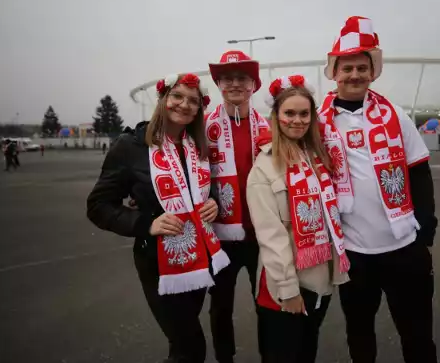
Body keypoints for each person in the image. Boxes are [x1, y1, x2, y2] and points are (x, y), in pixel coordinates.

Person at [317, 16, 438, 363]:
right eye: (347, 68)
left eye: (361, 68)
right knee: (359, 335)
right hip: (355, 253)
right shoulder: (318, 121)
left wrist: (424, 230)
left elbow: (419, 169)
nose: (354, 75)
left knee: (417, 336)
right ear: (334, 73)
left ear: (372, 72)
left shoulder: (395, 115)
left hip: (404, 248)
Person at [86, 73, 230, 363]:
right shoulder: (131, 146)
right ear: (163, 100)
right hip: (158, 262)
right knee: (191, 347)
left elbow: (203, 190)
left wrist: (213, 202)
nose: (185, 105)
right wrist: (145, 223)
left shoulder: (197, 145)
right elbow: (99, 205)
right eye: (177, 96)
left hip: (199, 258)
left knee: (181, 346)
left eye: (193, 101)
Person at [246, 75, 350, 363]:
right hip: (284, 287)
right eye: (289, 113)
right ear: (276, 117)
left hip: (319, 283)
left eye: (304, 113)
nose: (297, 120)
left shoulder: (319, 158)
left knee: (306, 353)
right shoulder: (264, 168)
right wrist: (288, 291)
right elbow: (271, 238)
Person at [205, 50, 270, 363]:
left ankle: (271, 356)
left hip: (262, 235)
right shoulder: (202, 127)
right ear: (218, 83)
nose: (235, 84)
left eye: (242, 78)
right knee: (220, 306)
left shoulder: (271, 128)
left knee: (268, 305)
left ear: (253, 84)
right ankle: (224, 358)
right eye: (227, 78)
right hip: (220, 237)